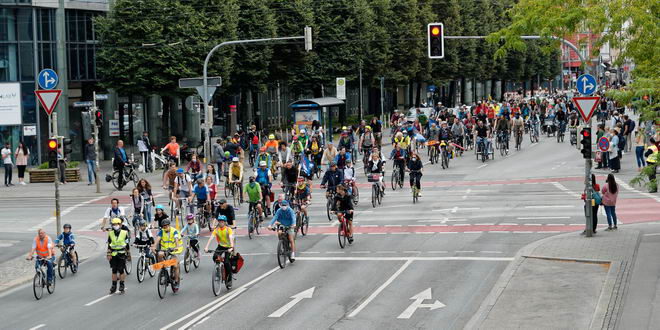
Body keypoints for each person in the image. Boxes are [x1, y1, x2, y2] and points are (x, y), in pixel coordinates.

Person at [204, 215, 235, 288]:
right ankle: (218, 270)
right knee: (215, 257)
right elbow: (211, 238)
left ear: (225, 222)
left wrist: (231, 247)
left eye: (222, 222)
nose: (220, 223)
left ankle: (229, 279)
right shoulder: (217, 230)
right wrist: (206, 247)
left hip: (228, 247)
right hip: (221, 246)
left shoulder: (228, 229)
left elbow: (231, 239)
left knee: (227, 262)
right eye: (219, 222)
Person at [154, 220, 183, 292]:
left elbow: (176, 239)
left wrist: (176, 247)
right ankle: (163, 270)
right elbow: (157, 239)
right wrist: (154, 246)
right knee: (159, 254)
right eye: (164, 226)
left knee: (175, 265)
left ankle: (176, 281)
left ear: (169, 225)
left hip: (174, 250)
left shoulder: (174, 231)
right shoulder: (162, 231)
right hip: (165, 249)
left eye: (166, 226)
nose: (165, 227)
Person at [107, 218, 129, 293]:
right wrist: (108, 254)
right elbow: (109, 245)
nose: (115, 226)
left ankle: (122, 285)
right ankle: (113, 285)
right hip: (113, 254)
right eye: (113, 224)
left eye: (116, 224)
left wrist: (128, 254)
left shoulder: (124, 233)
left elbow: (127, 245)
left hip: (122, 254)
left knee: (121, 270)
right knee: (114, 270)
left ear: (120, 225)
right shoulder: (110, 233)